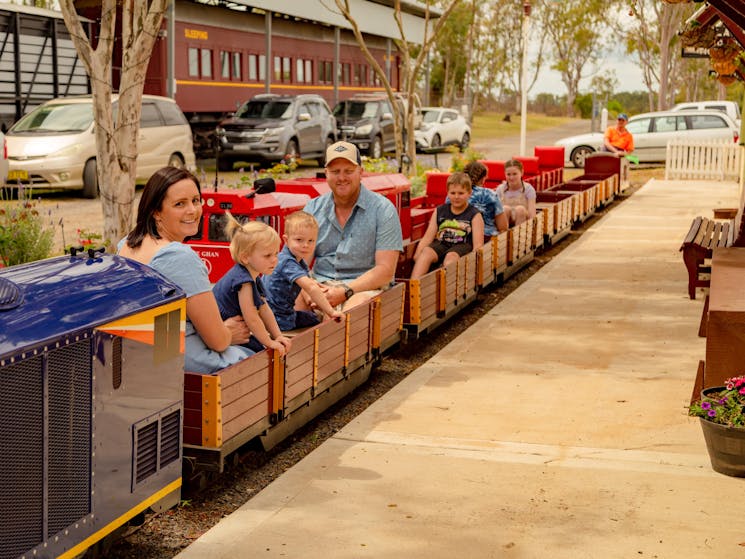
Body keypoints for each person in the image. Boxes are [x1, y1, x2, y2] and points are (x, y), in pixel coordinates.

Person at [118, 166, 252, 374]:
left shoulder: (126, 244)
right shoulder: (178, 257)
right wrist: (229, 333)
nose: (193, 210)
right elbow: (217, 341)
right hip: (181, 360)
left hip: (142, 354)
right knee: (255, 357)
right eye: (179, 204)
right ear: (156, 212)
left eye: (196, 200)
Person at [303, 140, 403, 309]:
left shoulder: (383, 209)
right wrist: (308, 290)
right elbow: (299, 263)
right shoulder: (312, 209)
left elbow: (385, 271)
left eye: (348, 171)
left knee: (353, 312)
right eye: (335, 171)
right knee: (290, 303)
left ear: (360, 172)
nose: (342, 177)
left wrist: (345, 291)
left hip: (362, 288)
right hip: (320, 285)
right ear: (326, 173)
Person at [212, 214, 292, 356]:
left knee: (261, 348)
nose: (274, 260)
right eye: (267, 255)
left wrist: (277, 335)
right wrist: (269, 342)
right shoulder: (243, 281)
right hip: (222, 326)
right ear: (245, 257)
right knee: (259, 352)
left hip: (234, 325)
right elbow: (252, 318)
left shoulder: (253, 276)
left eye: (276, 253)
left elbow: (264, 308)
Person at [264, 211, 344, 331]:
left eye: (311, 241)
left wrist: (321, 288)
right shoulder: (287, 262)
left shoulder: (297, 261)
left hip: (278, 313)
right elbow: (310, 287)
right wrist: (331, 312)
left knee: (313, 316)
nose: (305, 245)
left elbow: (310, 282)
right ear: (286, 240)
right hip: (277, 319)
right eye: (299, 240)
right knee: (317, 320)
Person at [410, 171, 485, 279]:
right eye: (453, 193)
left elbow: (478, 245)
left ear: (469, 193)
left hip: (462, 245)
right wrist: (418, 254)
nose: (456, 197)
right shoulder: (440, 210)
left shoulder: (474, 215)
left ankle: (447, 290)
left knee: (451, 258)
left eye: (461, 193)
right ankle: (414, 286)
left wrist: (474, 264)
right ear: (447, 193)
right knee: (426, 252)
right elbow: (427, 237)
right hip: (442, 243)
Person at [463, 160, 508, 239]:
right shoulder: (490, 195)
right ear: (482, 179)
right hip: (486, 237)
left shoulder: (453, 194)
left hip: (460, 235)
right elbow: (503, 226)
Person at [495, 159, 537, 227]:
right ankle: (503, 235)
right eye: (508, 174)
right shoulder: (500, 189)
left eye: (515, 174)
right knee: (505, 209)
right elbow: (496, 212)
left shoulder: (528, 189)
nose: (511, 177)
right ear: (504, 174)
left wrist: (533, 225)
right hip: (505, 220)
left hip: (523, 221)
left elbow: (532, 213)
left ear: (522, 172)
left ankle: (519, 235)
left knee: (520, 209)